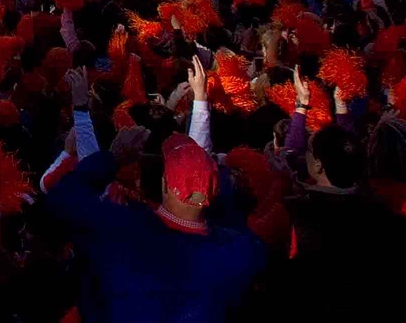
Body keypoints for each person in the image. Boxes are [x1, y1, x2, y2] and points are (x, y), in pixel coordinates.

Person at [46, 121, 266, 323]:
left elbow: (61, 197)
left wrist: (112, 158)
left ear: (165, 185)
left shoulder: (120, 228)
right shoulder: (242, 252)